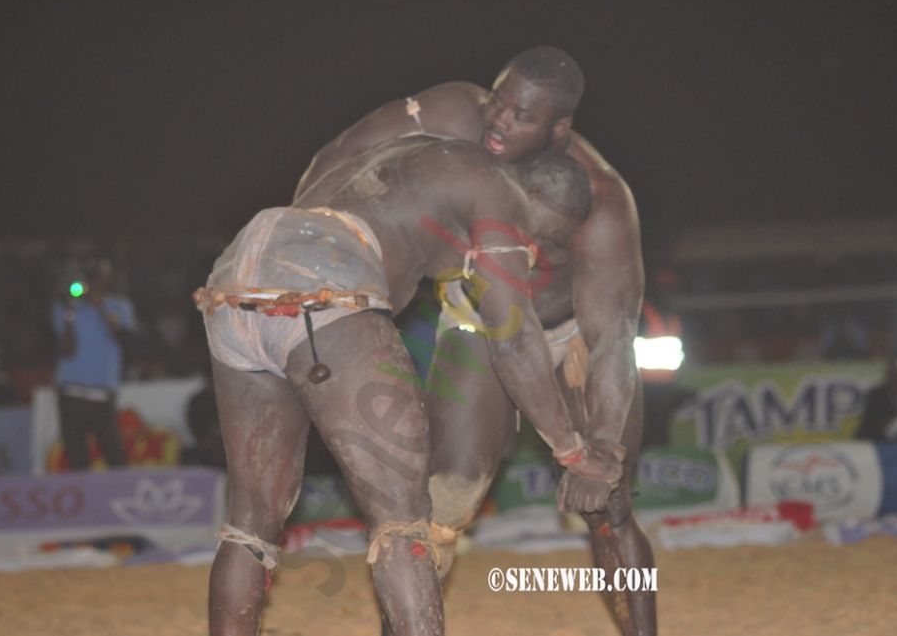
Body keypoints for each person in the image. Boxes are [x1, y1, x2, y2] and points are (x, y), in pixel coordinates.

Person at [295, 46, 654, 635]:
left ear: (558, 130)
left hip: (569, 335)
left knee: (610, 510)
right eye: (499, 101)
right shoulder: (456, 116)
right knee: (434, 513)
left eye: (521, 116)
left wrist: (601, 450)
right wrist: (300, 236)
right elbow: (343, 154)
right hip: (483, 327)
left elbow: (614, 338)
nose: (499, 121)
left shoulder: (602, 199)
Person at [198, 138, 614, 636]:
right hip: (324, 278)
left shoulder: (420, 151)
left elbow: (330, 156)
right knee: (403, 522)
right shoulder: (502, 195)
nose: (535, 251)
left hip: (237, 280)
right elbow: (513, 338)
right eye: (545, 237)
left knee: (250, 523)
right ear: (538, 200)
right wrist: (570, 449)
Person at [52, 258, 136, 470]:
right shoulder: (66, 306)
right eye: (92, 275)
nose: (96, 280)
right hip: (71, 393)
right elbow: (66, 350)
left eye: (101, 274)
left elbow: (122, 338)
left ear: (109, 278)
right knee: (77, 460)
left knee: (116, 458)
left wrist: (98, 305)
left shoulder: (120, 306)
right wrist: (69, 313)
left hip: (103, 395)